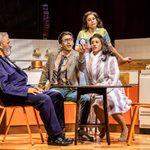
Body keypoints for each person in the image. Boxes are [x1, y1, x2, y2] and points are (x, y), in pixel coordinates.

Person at [0, 32, 73, 146]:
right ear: (0, 45)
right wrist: (26, 90)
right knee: (44, 99)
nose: (11, 45)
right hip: (12, 96)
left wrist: (30, 88)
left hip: (22, 90)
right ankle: (55, 136)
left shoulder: (6, 60)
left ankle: (60, 132)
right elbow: (5, 87)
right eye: (8, 42)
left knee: (56, 95)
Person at [38, 31, 94, 141]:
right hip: (55, 87)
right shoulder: (53, 55)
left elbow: (82, 68)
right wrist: (40, 87)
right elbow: (45, 72)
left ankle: (80, 130)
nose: (69, 42)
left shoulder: (77, 55)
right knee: (56, 95)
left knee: (86, 98)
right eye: (66, 40)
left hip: (71, 89)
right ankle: (59, 130)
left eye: (71, 40)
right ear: (60, 43)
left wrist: (82, 54)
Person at [85, 33, 131, 142]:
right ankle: (105, 126)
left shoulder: (109, 57)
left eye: (97, 42)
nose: (94, 44)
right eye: (92, 42)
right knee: (95, 102)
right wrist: (92, 89)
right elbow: (88, 77)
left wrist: (108, 89)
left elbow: (115, 75)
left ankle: (124, 128)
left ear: (102, 44)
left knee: (111, 99)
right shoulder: (89, 59)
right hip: (97, 87)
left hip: (112, 86)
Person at [75, 11, 132, 85]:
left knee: (100, 80)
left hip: (100, 59)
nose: (92, 21)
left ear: (97, 20)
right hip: (86, 59)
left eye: (93, 19)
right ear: (86, 23)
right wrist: (82, 50)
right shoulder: (82, 33)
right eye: (89, 20)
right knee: (85, 83)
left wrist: (122, 58)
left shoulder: (103, 31)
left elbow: (110, 46)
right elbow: (76, 47)